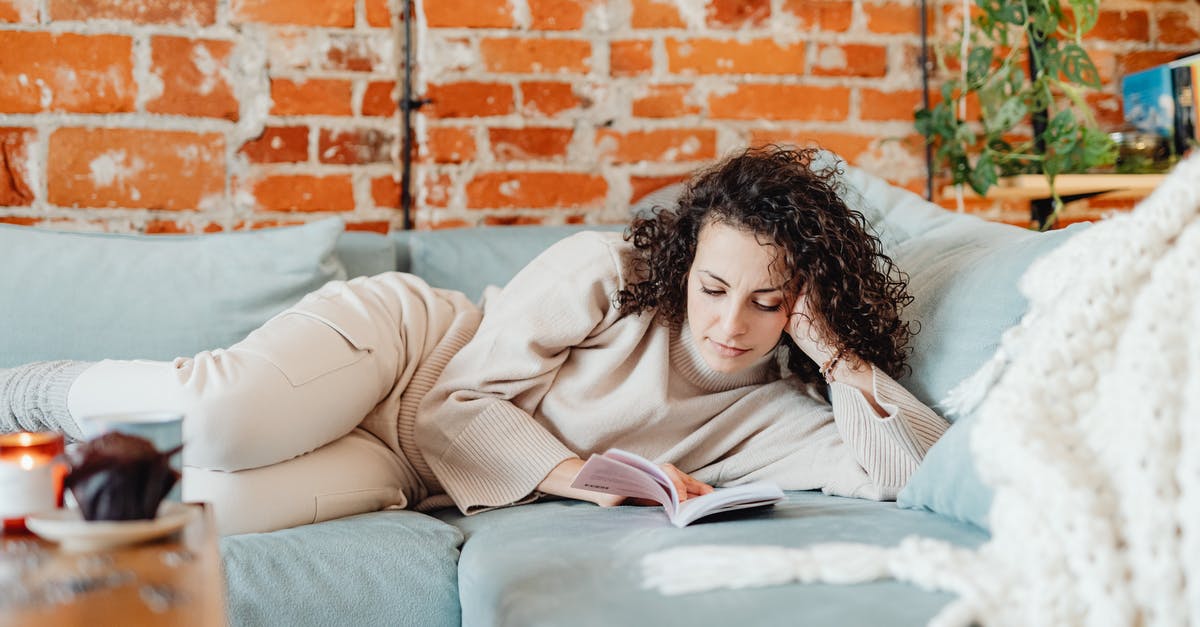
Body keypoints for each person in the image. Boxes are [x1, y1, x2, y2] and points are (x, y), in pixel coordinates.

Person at [0, 146, 948, 535]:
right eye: (712, 287)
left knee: (200, 508)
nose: (728, 322)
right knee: (217, 418)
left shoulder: (780, 403)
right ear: (687, 259)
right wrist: (575, 472)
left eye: (768, 301)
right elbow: (454, 398)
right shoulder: (609, 273)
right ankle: (30, 391)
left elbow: (911, 472)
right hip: (406, 354)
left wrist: (837, 355)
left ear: (804, 302)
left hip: (409, 471)